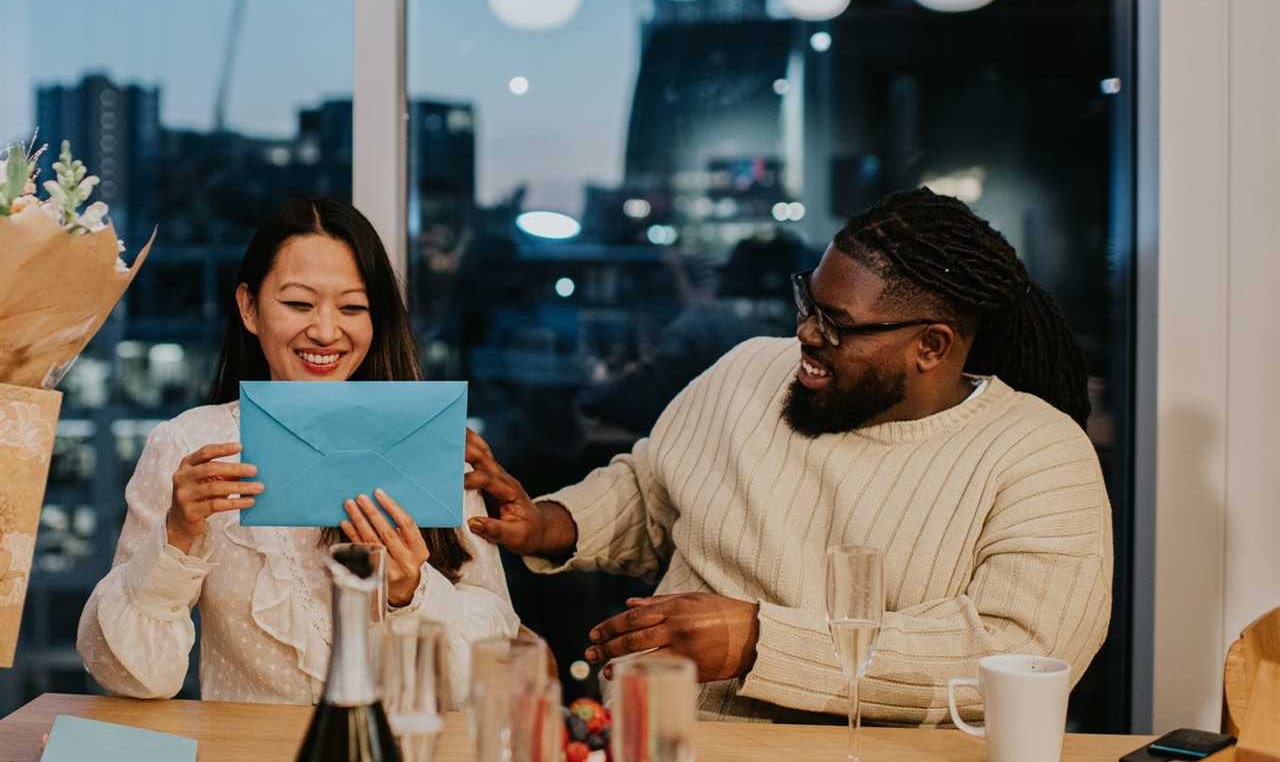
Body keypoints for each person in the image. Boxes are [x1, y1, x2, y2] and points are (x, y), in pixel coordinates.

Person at [463, 188, 1113, 724]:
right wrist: (551, 521)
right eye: (808, 301)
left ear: (932, 347)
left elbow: (1019, 653)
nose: (805, 332)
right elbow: (652, 490)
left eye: (836, 323)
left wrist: (757, 642)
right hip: (661, 753)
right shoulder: (748, 371)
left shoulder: (1040, 457)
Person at [78, 197, 518, 706]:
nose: (326, 331)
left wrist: (410, 590)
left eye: (352, 308)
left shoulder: (425, 438)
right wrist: (176, 539)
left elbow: (493, 667)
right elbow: (130, 678)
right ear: (249, 307)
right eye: (298, 304)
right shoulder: (190, 446)